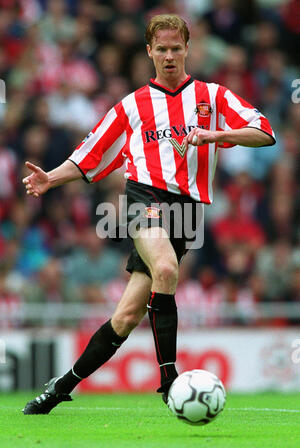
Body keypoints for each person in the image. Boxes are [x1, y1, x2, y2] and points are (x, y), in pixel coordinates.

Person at [22, 14, 275, 415]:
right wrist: (50, 179)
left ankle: (59, 388)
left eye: (177, 48)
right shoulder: (131, 105)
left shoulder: (213, 96)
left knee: (124, 317)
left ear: (188, 49)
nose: (170, 56)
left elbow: (264, 130)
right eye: (162, 49)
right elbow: (89, 155)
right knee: (167, 270)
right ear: (149, 52)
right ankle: (170, 378)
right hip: (144, 199)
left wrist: (216, 134)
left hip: (188, 213)